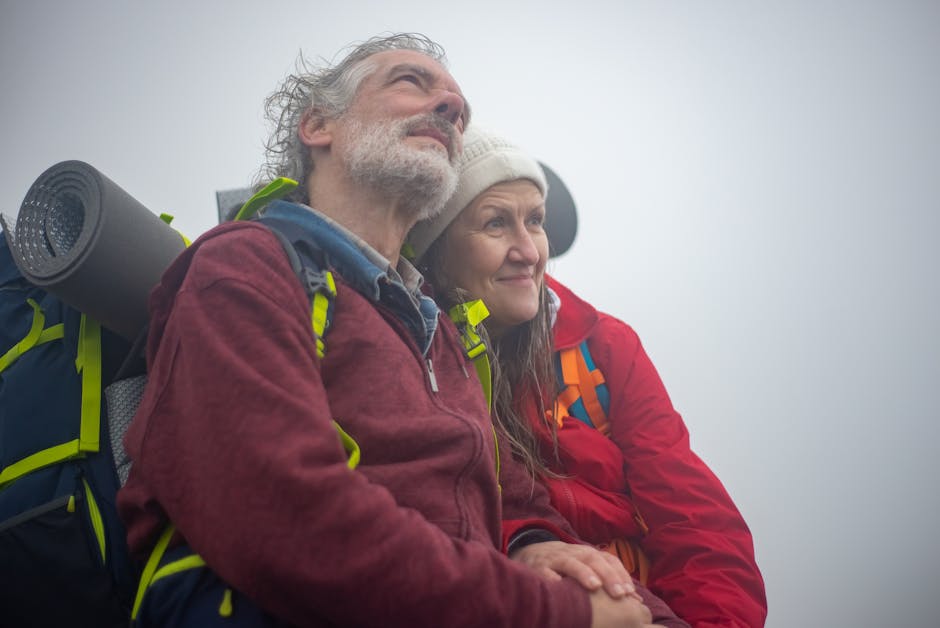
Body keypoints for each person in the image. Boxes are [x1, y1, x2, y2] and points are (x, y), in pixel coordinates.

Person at [117, 33, 665, 628]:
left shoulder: (438, 331)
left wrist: (533, 542)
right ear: (318, 125)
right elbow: (284, 515)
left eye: (460, 105)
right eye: (411, 81)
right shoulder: (247, 266)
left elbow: (515, 498)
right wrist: (559, 613)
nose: (453, 108)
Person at [409, 126, 768, 627]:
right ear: (436, 249)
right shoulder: (408, 357)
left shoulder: (604, 345)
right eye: (495, 224)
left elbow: (694, 517)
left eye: (534, 221)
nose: (529, 251)